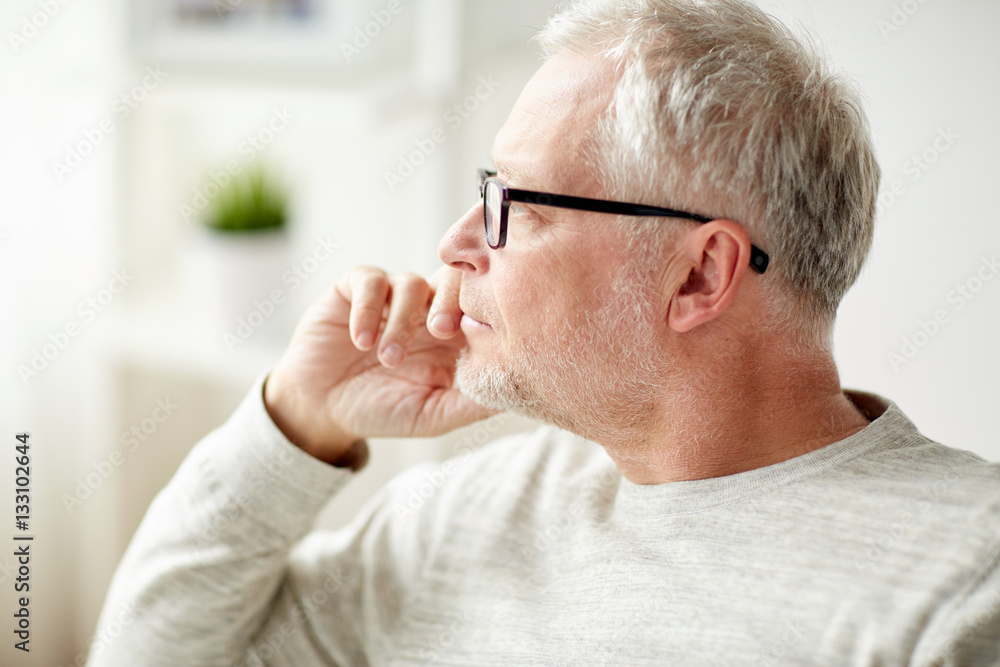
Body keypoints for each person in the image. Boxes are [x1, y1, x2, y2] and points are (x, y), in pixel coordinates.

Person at [91, 0, 1000, 665]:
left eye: (509, 204)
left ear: (699, 275)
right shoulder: (471, 510)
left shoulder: (962, 588)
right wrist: (293, 421)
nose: (453, 243)